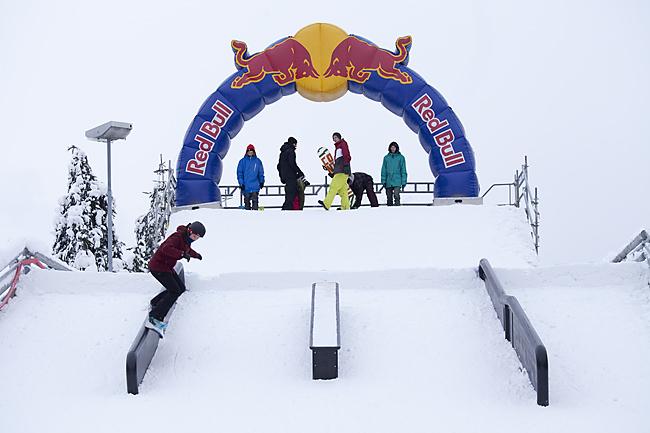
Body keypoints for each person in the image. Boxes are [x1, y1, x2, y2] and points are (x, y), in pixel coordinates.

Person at [146, 221, 205, 336]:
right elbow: (166, 248)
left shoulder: (186, 240)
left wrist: (196, 255)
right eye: (194, 236)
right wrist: (182, 254)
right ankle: (154, 317)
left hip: (166, 267)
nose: (195, 239)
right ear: (190, 231)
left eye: (197, 238)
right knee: (174, 291)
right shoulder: (177, 237)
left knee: (180, 288)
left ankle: (155, 302)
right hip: (158, 267)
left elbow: (187, 250)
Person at [319, 132, 351, 210]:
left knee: (333, 186)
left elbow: (347, 155)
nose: (334, 139)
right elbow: (338, 162)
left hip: (342, 171)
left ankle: (327, 204)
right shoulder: (337, 148)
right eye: (333, 138)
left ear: (339, 137)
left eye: (335, 137)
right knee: (343, 191)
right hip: (339, 171)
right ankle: (346, 207)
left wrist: (346, 165)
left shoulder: (343, 144)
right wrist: (329, 168)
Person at [277, 136, 307, 210]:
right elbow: (292, 164)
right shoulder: (290, 151)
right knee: (291, 195)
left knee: (289, 194)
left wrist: (282, 176)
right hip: (290, 176)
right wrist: (300, 173)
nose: (296, 146)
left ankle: (287, 210)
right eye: (295, 144)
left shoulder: (282, 152)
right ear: (293, 144)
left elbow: (278, 166)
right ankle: (286, 211)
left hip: (286, 177)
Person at [237, 144, 265, 210]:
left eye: (251, 151)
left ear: (254, 152)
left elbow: (261, 173)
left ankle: (255, 219)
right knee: (247, 204)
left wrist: (262, 181)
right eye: (249, 151)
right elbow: (239, 173)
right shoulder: (242, 161)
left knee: (255, 203)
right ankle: (247, 219)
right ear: (246, 152)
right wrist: (241, 183)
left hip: (255, 186)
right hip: (246, 186)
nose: (250, 152)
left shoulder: (258, 161)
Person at [381, 141, 407, 206]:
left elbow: (403, 170)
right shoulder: (386, 158)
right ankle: (389, 211)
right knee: (389, 197)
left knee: (396, 195)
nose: (393, 149)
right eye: (391, 147)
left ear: (396, 148)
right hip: (388, 180)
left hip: (397, 180)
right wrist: (383, 180)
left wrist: (404, 182)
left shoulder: (401, 157)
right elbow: (383, 170)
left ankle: (397, 209)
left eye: (394, 147)